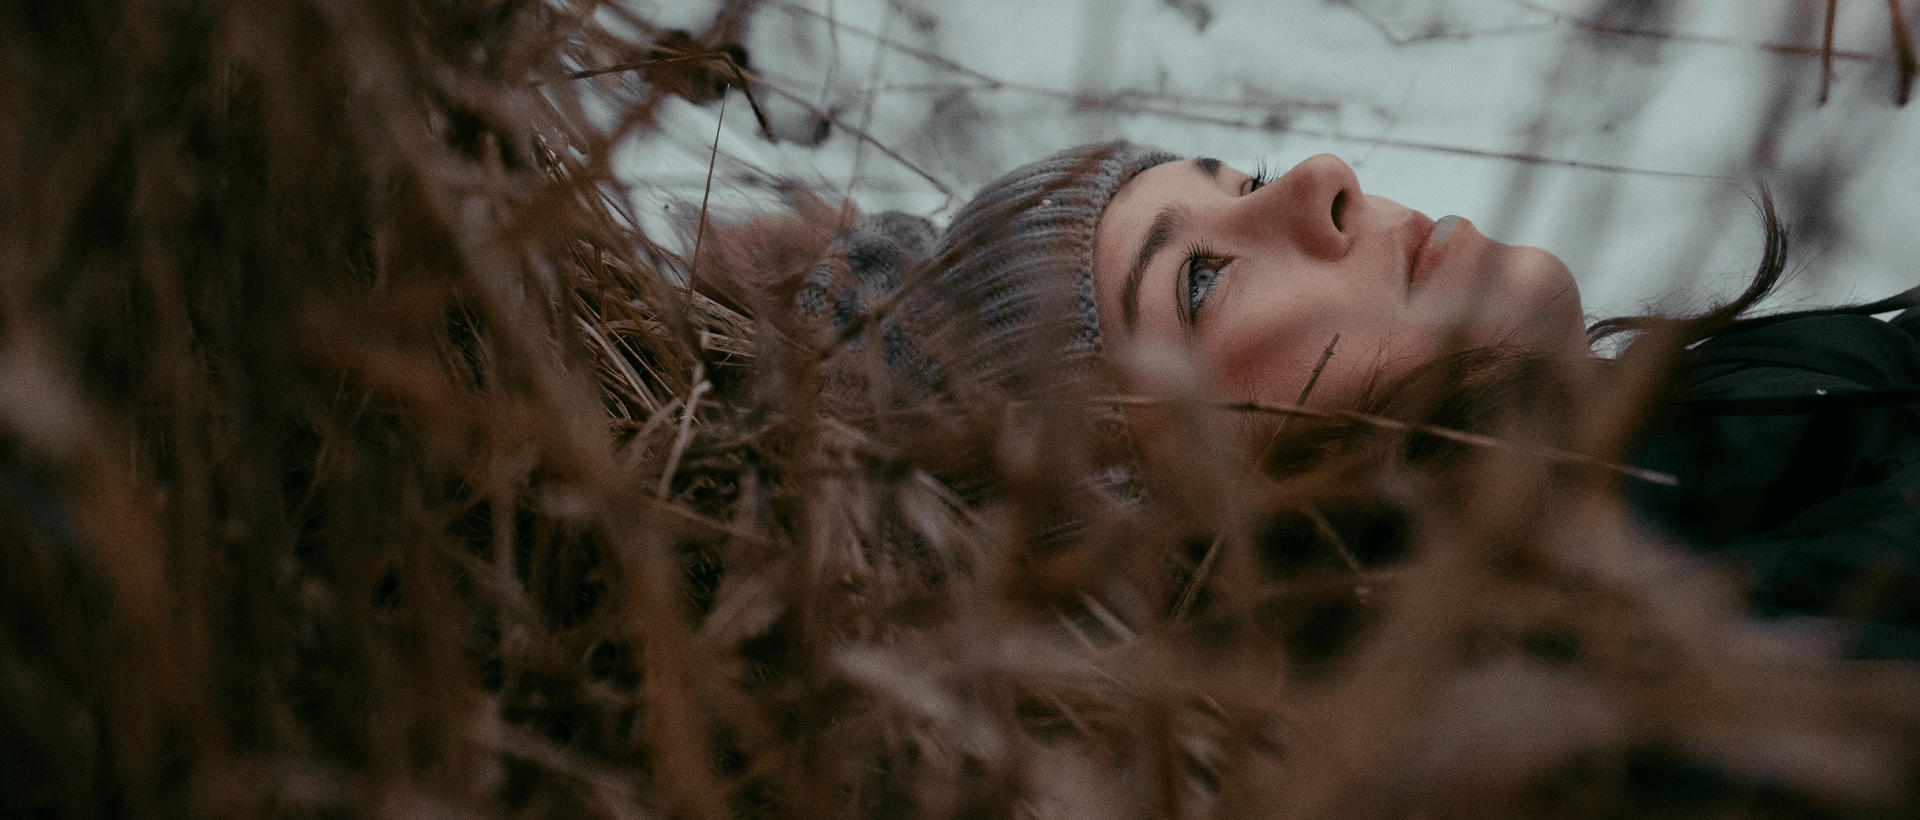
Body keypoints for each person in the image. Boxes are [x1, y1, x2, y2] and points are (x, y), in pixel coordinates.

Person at [798, 140, 1920, 658]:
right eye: (1199, 279)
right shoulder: (1660, 711)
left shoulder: (1731, 468)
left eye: (1236, 176)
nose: (1318, 174)